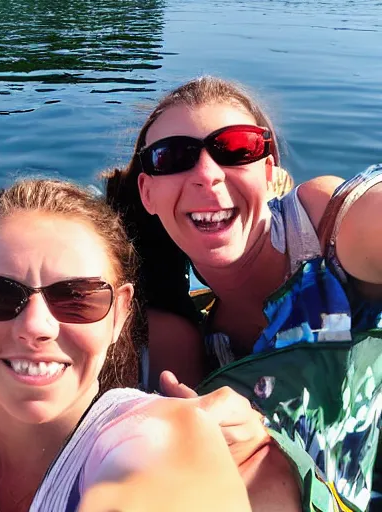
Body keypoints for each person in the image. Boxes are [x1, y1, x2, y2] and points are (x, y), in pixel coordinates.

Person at [0, 178, 306, 512]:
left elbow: (164, 467)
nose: (36, 326)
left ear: (120, 315)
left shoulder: (147, 430)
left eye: (76, 297)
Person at [104, 75, 382, 512]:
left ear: (269, 172)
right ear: (147, 192)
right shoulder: (176, 324)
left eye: (236, 149)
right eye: (173, 157)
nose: (207, 175)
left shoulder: (324, 227)